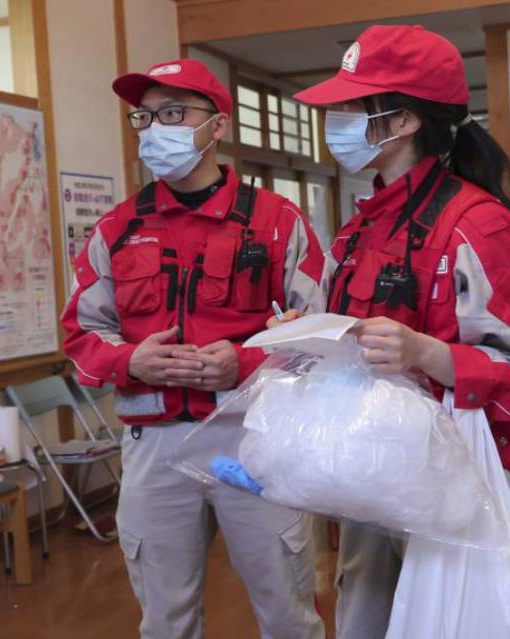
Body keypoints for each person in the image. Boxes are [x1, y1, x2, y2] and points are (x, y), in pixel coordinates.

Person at [282, 25, 510, 639]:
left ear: (401, 121)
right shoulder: (359, 228)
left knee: (461, 624)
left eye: (350, 108)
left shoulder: (477, 224)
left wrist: (425, 352)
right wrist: (308, 336)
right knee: (363, 621)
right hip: (368, 466)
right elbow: (351, 341)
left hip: (459, 477)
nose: (337, 122)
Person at [62, 59, 326, 639]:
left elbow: (321, 337)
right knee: (165, 619)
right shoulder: (116, 228)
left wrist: (246, 362)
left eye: (175, 113)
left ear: (218, 127)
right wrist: (130, 360)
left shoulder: (278, 222)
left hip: (254, 440)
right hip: (152, 444)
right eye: (146, 116)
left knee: (287, 612)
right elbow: (80, 337)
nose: (157, 128)